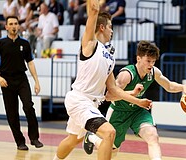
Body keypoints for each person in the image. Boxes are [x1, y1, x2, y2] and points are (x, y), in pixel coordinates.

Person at [53, 0, 152, 160]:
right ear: (102, 27)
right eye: (110, 26)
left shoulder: (110, 56)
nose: (112, 30)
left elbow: (113, 91)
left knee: (74, 139)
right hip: (79, 99)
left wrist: (136, 99)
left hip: (91, 104)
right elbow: (92, 11)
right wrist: (95, 6)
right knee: (109, 132)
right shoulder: (90, 44)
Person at [83, 40, 186, 160]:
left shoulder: (153, 72)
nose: (151, 65)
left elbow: (169, 86)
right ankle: (92, 137)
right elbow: (109, 96)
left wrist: (184, 87)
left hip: (138, 111)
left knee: (153, 136)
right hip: (119, 112)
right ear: (138, 58)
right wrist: (133, 93)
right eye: (148, 61)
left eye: (153, 61)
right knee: (112, 150)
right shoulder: (127, 75)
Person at [0, 16, 43, 150]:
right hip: (6, 81)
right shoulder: (0, 44)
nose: (13, 26)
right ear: (6, 27)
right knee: (12, 114)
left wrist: (36, 82)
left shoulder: (25, 43)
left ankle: (34, 138)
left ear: (18, 26)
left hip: (22, 79)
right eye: (10, 24)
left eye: (16, 24)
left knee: (28, 106)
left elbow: (30, 63)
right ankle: (20, 142)